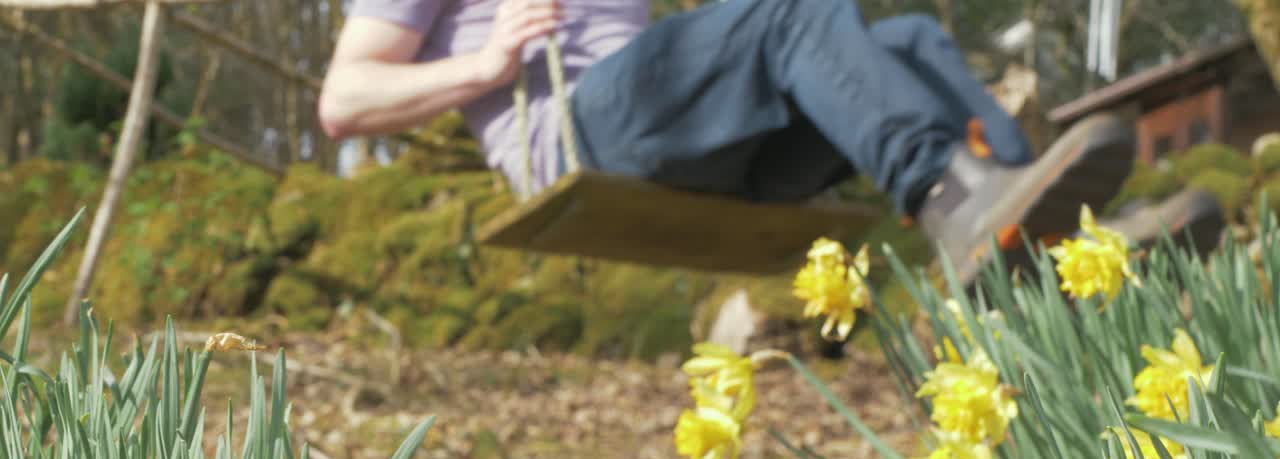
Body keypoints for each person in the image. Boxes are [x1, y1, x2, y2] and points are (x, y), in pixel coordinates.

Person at [319, 0, 1215, 283]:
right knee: (793, 11)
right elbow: (345, 98)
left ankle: (1047, 233)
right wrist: (485, 61)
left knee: (906, 40)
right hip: (580, 135)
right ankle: (951, 202)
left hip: (683, 151)